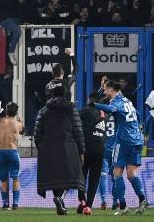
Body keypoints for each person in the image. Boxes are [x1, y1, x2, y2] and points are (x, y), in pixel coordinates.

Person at [94, 80, 149, 215]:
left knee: (117, 173)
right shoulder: (127, 100)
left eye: (105, 89)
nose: (105, 92)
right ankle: (142, 199)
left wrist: (94, 105)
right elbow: (138, 115)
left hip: (124, 141)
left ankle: (123, 207)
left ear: (112, 90)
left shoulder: (115, 102)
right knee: (131, 174)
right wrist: (140, 131)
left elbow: (111, 109)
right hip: (137, 140)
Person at [34, 85, 85, 215]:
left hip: (48, 147)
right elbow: (78, 129)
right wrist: (81, 149)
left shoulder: (43, 110)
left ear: (52, 95)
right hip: (68, 146)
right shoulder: (71, 108)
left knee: (55, 176)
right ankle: (60, 198)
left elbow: (37, 132)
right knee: (71, 175)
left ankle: (60, 204)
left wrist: (40, 145)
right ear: (65, 94)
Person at [77, 92, 106, 215]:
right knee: (94, 179)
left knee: (81, 175)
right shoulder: (104, 113)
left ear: (89, 99)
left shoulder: (85, 111)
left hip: (86, 147)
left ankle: (82, 200)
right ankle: (88, 207)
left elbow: (76, 123)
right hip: (100, 148)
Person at [96, 76, 118, 210]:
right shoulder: (116, 112)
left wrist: (102, 87)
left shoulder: (100, 115)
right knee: (116, 175)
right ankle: (116, 201)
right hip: (115, 148)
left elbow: (94, 101)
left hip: (103, 148)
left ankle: (104, 200)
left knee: (102, 175)